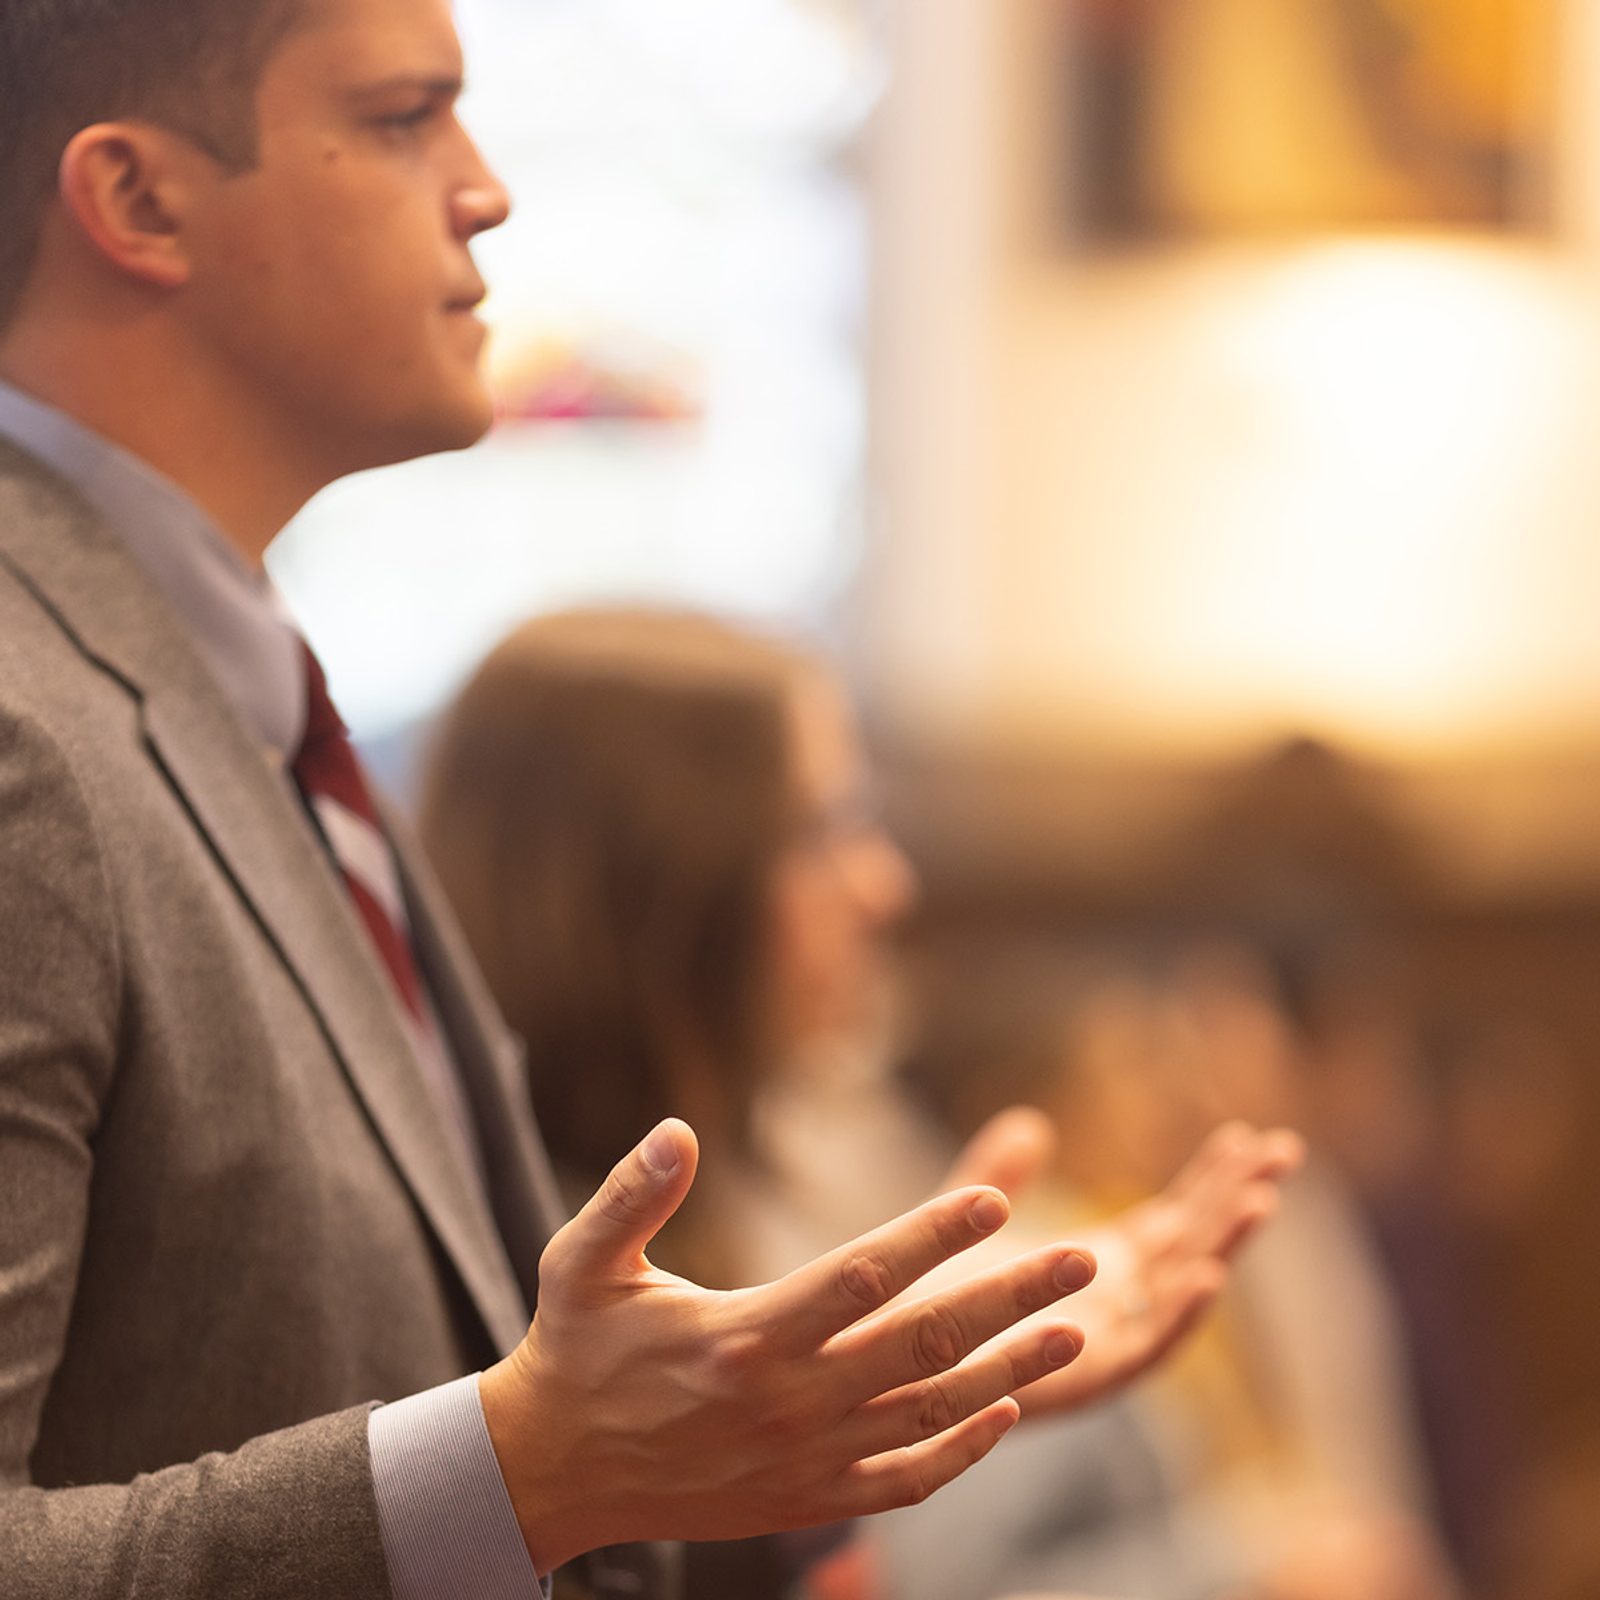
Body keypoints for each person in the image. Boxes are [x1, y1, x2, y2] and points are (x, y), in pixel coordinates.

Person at [0, 4, 1146, 1597]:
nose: (486, 189)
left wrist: (835, 1411)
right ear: (136, 203)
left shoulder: (232, 687)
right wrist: (516, 1472)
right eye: (405, 117)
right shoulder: (24, 728)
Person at [417, 608, 1307, 1596]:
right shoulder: (526, 1274)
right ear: (666, 885)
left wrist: (924, 1351)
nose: (884, 886)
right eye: (822, 832)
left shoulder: (764, 1169)